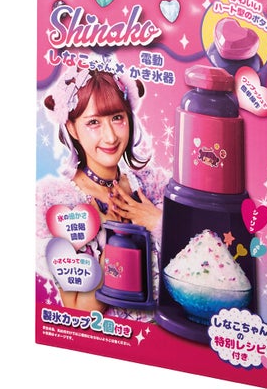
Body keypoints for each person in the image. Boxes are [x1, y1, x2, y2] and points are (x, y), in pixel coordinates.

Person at [36, 52, 169, 320]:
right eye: (94, 122)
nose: (110, 137)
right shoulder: (60, 204)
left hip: (166, 335)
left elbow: (198, 262)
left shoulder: (152, 186)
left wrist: (156, 221)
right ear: (72, 128)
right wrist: (116, 240)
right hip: (109, 335)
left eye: (117, 118)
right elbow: (79, 312)